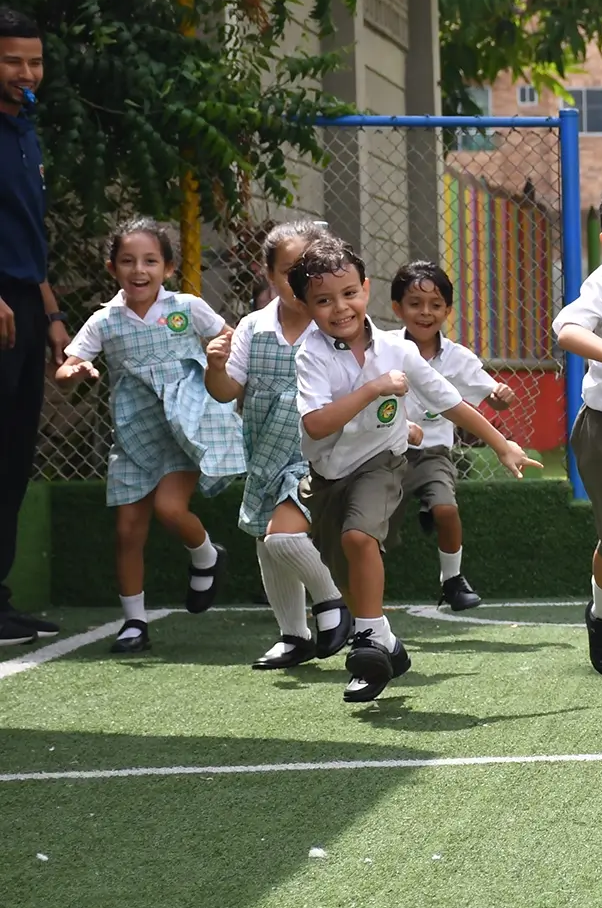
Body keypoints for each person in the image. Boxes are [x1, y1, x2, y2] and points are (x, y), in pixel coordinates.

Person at [290, 236, 538, 702]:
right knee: (344, 569)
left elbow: (451, 403)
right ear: (306, 305)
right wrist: (374, 389)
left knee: (359, 537)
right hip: (328, 474)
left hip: (382, 462)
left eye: (349, 294)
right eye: (323, 300)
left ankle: (365, 641)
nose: (340, 308)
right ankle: (384, 640)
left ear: (365, 288)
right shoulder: (311, 355)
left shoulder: (395, 350)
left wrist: (502, 444)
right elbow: (317, 424)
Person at [53, 218, 246, 653]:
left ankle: (206, 555)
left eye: (150, 261)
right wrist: (75, 370)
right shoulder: (104, 321)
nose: (139, 270)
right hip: (133, 434)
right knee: (127, 530)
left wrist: (221, 352)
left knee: (169, 508)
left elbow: (228, 337)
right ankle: (134, 623)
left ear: (168, 267)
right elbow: (66, 367)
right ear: (112, 268)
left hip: (183, 427)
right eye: (127, 261)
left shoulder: (186, 308)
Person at [204, 220, 351, 669]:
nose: (300, 281)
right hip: (266, 450)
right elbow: (228, 391)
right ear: (270, 276)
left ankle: (332, 603)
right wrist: (215, 367)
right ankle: (293, 635)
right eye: (289, 271)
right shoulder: (254, 327)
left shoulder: (335, 329)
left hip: (316, 454)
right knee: (267, 545)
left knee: (281, 538)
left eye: (310, 270)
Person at [0, 8, 68, 647]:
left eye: (35, 61)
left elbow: (28, 236)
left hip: (22, 305)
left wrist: (49, 313)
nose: (26, 73)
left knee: (14, 457)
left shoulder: (25, 129)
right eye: (12, 60)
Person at [390, 260, 513, 612]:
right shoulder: (384, 349)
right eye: (415, 304)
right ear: (397, 308)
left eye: (436, 305)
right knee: (376, 530)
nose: (425, 313)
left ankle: (452, 580)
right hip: (386, 453)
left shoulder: (458, 358)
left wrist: (500, 396)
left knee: (446, 509)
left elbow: (491, 396)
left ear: (448, 310)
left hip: (433, 453)